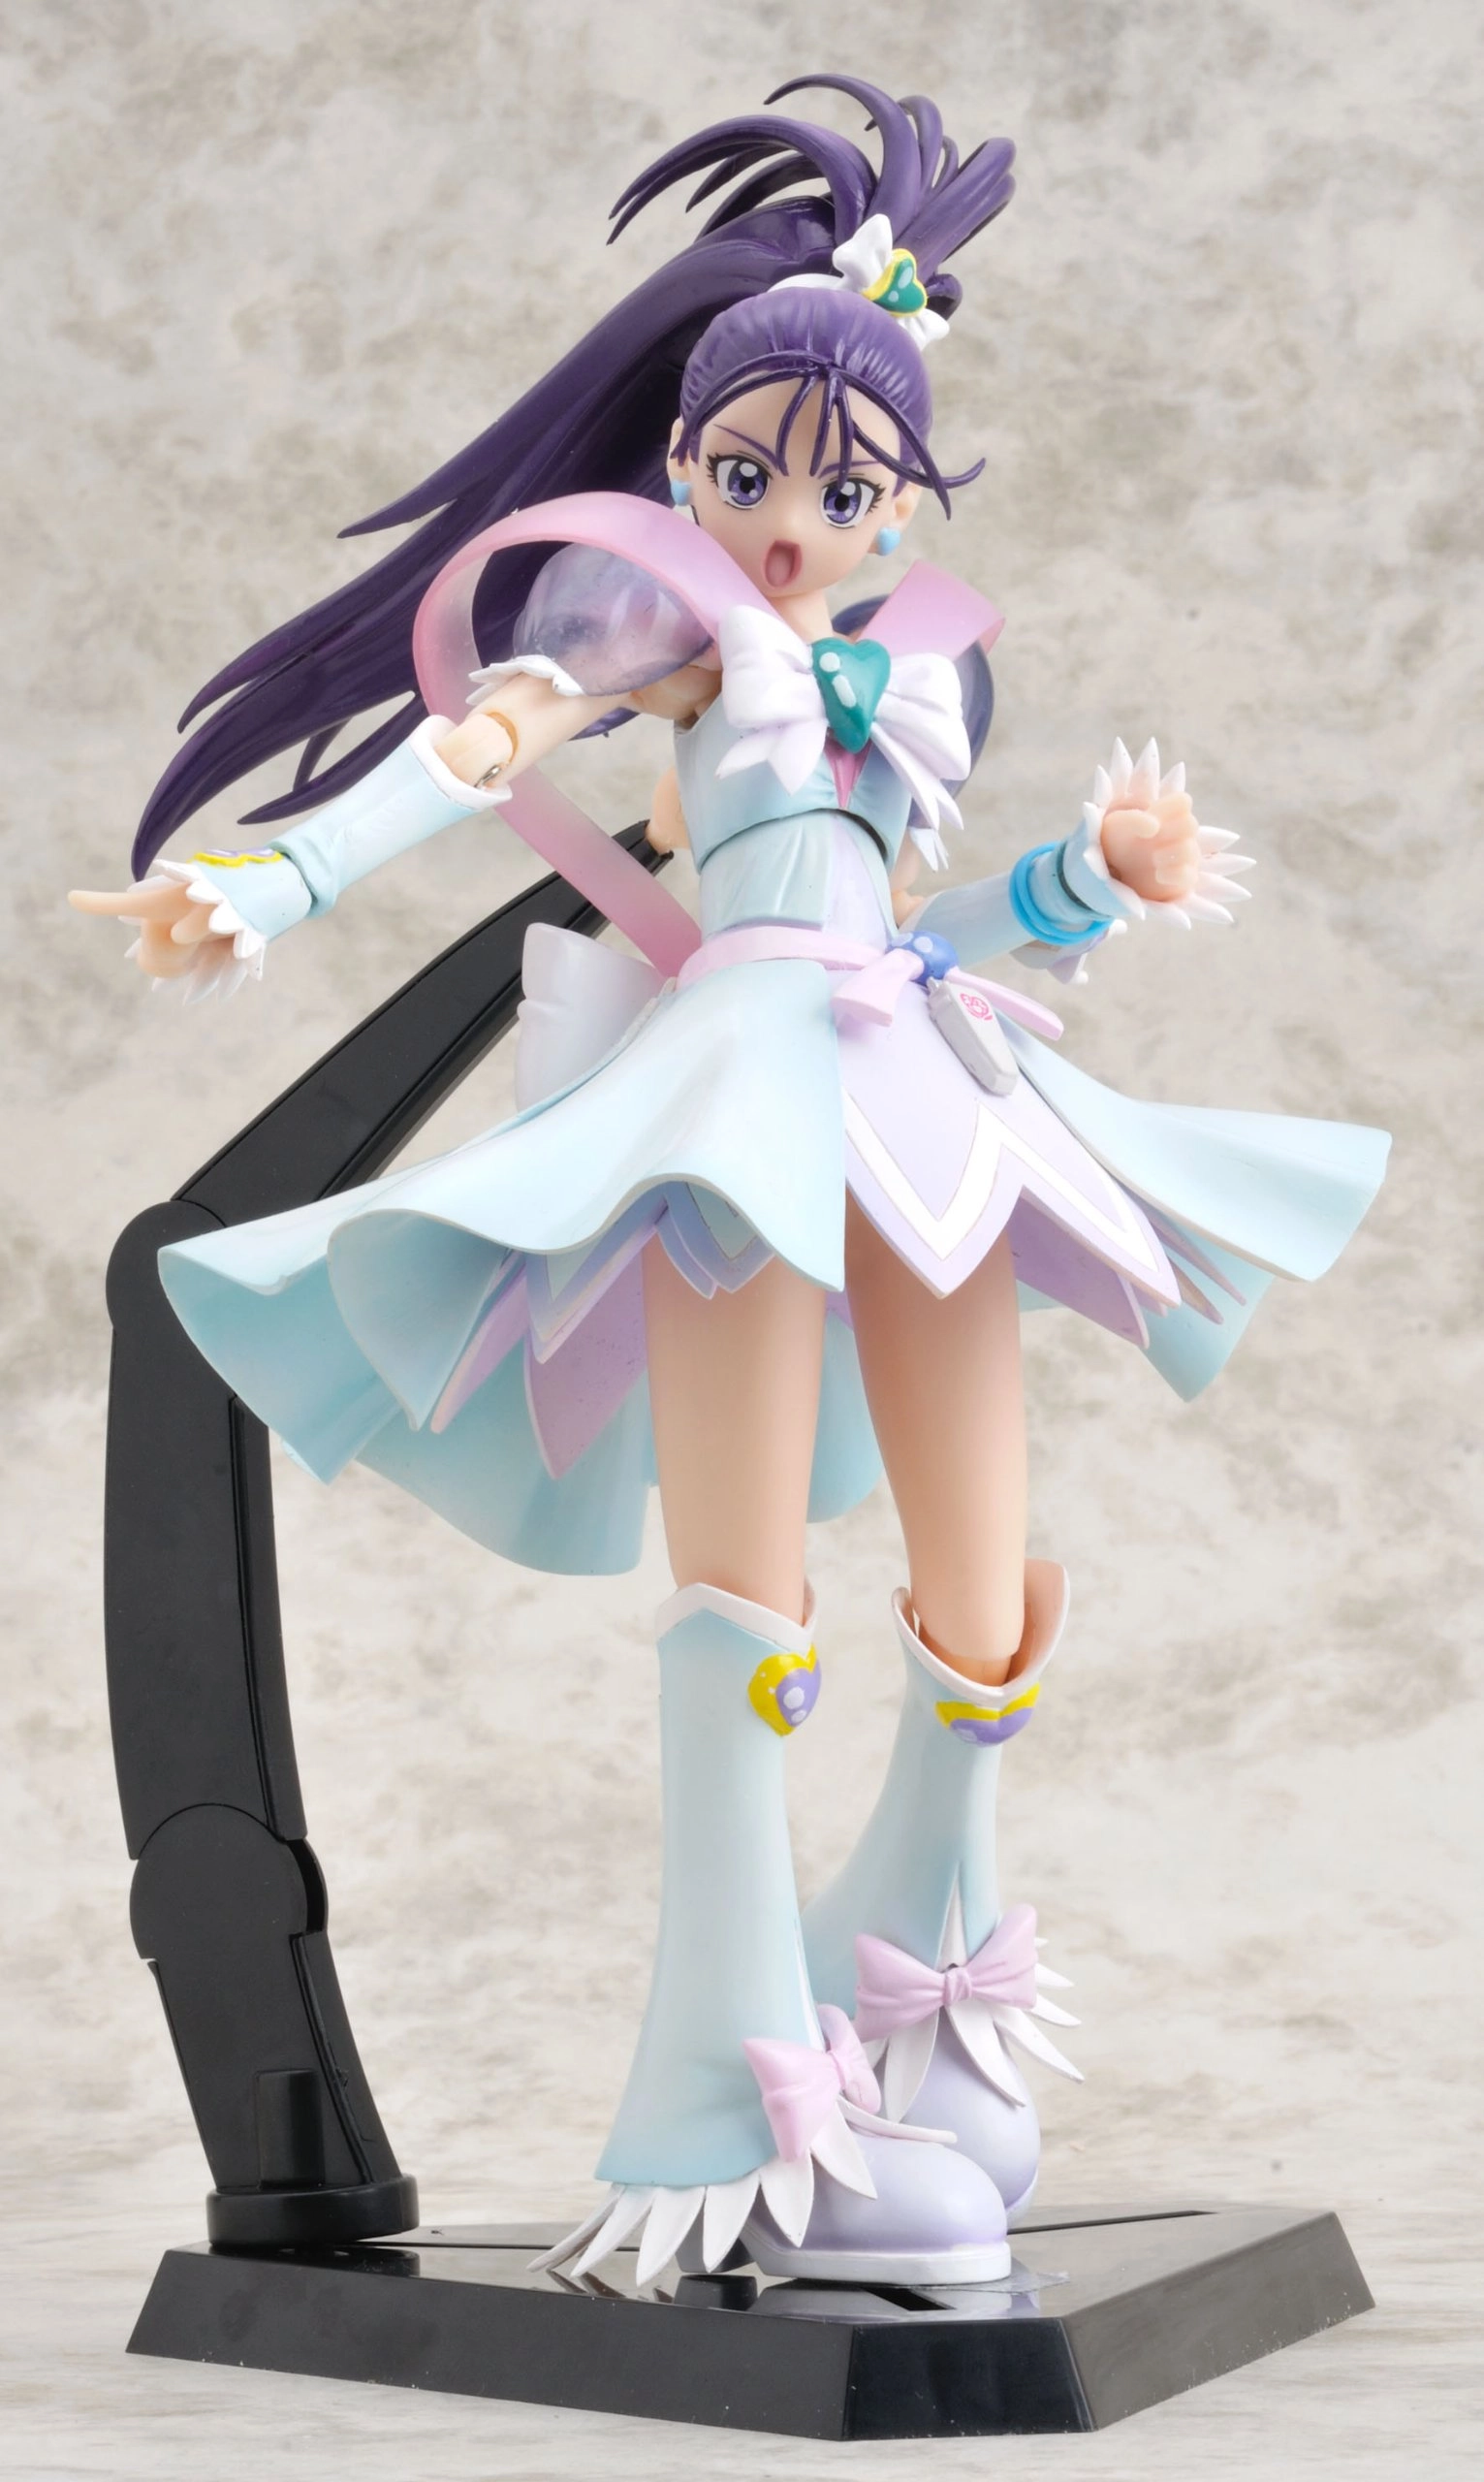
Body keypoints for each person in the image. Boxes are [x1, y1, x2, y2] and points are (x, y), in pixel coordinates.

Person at [70, 78, 1388, 2289]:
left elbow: (927, 916)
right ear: (685, 467)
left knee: (983, 1584)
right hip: (733, 1102)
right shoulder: (668, 623)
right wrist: (281, 876)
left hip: (913, 1069)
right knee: (745, 1592)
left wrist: (1090, 881)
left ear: (904, 498)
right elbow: (483, 744)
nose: (790, 520)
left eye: (842, 485)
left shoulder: (927, 663)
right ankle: (728, 2099)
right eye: (749, 470)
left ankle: (922, 1993)